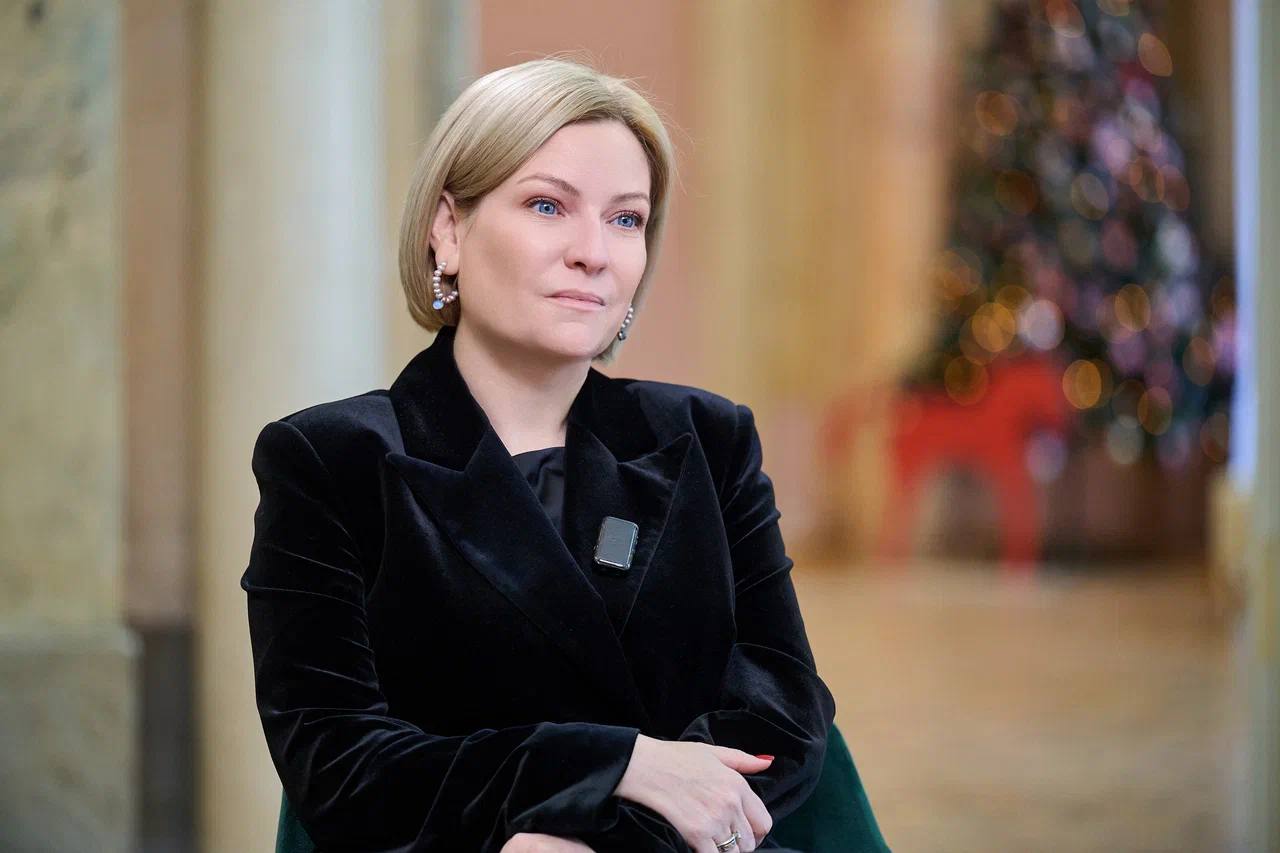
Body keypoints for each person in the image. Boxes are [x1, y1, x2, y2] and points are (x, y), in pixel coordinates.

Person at [241, 57, 837, 853]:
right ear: (448, 230)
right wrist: (617, 761)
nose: (595, 252)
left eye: (626, 219)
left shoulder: (708, 437)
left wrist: (611, 840)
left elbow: (784, 711)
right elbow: (339, 761)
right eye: (548, 205)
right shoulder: (327, 460)